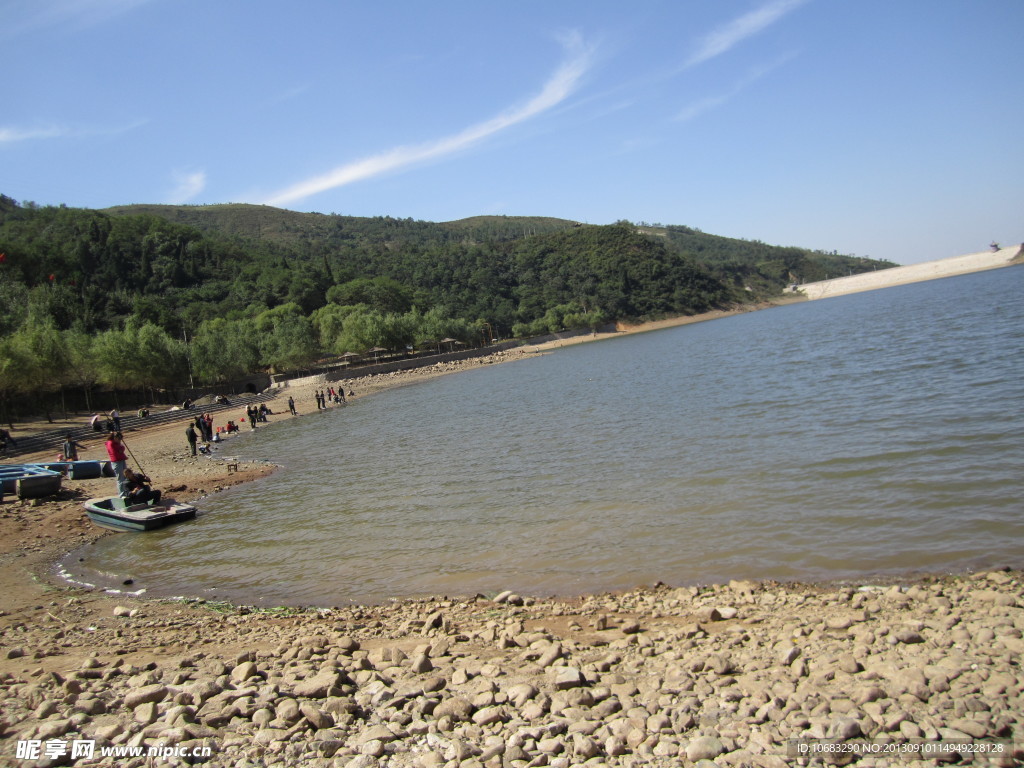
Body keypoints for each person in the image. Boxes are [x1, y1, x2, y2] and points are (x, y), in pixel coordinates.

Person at [105, 432, 129, 497]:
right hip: (116, 462)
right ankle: (122, 494)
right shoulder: (110, 443)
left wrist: (121, 449)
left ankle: (127, 492)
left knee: (125, 476)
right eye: (119, 439)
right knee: (120, 478)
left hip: (121, 460)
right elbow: (115, 452)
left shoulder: (116, 443)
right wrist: (120, 450)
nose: (120, 441)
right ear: (115, 438)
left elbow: (122, 448)